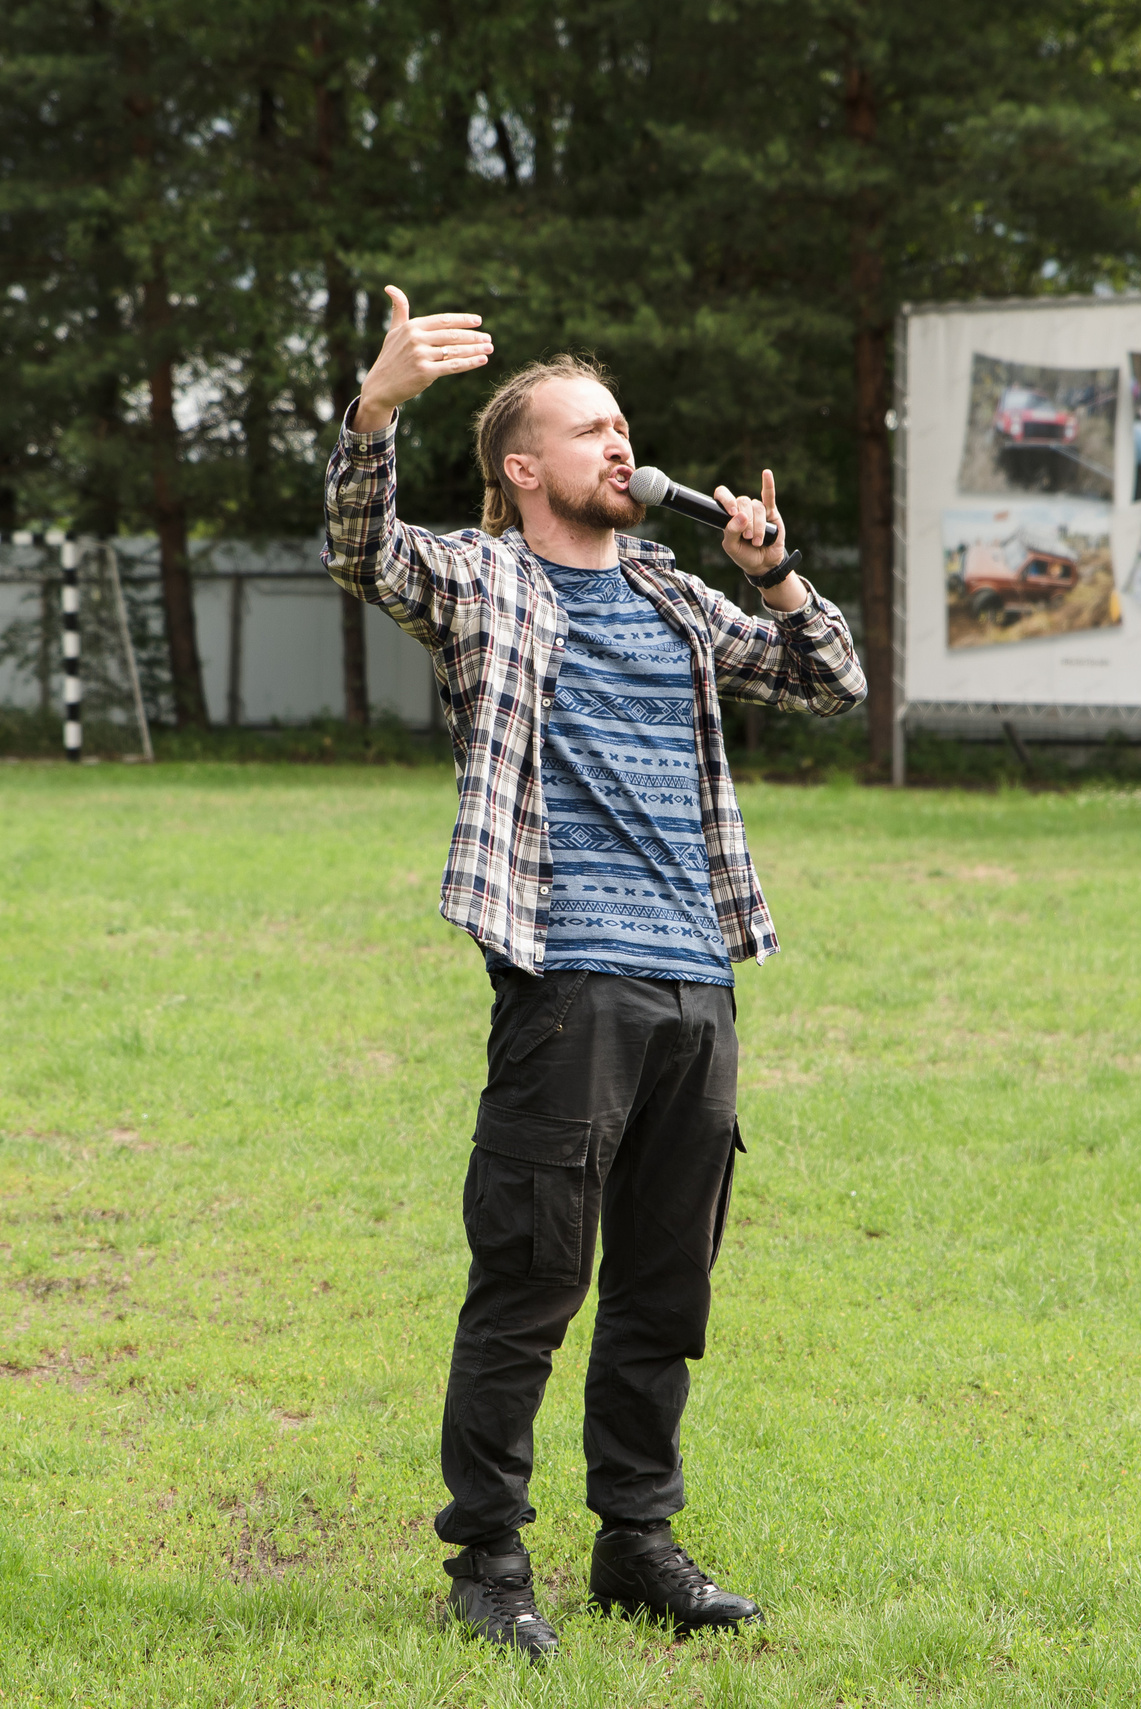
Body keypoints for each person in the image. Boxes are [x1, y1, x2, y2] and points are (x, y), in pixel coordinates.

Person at [323, 287, 868, 1662]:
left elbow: (832, 682)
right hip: (568, 979)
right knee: (530, 1273)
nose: (622, 449)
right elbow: (358, 547)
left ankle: (637, 1544)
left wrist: (772, 571)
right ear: (523, 466)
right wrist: (379, 407)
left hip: (697, 981)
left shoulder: (679, 597)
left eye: (625, 427)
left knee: (663, 1291)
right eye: (590, 431)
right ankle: (489, 1561)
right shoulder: (479, 580)